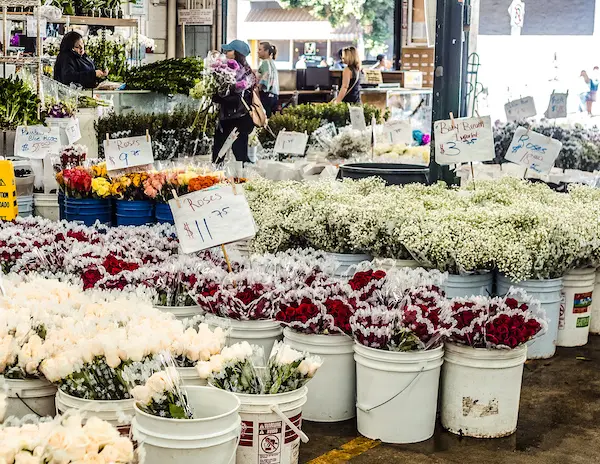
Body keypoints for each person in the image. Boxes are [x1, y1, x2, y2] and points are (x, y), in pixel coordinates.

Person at [212, 39, 256, 164]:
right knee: (237, 152)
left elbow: (237, 95)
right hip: (235, 116)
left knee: (223, 150)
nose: (226, 52)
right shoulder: (235, 70)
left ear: (237, 53)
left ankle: (230, 177)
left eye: (229, 50)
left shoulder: (241, 72)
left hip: (235, 117)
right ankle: (237, 176)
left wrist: (219, 97)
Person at [257, 41, 279, 117]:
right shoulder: (272, 62)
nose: (258, 52)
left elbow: (266, 77)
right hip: (274, 95)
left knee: (264, 119)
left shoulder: (265, 63)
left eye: (260, 50)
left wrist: (259, 87)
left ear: (266, 51)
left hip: (266, 95)